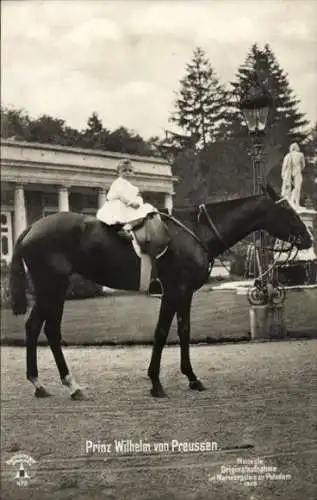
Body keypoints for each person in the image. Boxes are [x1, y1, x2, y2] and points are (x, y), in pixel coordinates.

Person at [96, 158, 157, 240]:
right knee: (140, 216)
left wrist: (138, 202)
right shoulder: (118, 182)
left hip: (128, 206)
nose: (127, 173)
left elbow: (137, 196)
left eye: (130, 171)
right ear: (118, 172)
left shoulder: (132, 187)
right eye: (124, 170)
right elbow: (120, 195)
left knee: (145, 212)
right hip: (120, 206)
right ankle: (125, 229)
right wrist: (131, 203)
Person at [281, 142, 306, 208]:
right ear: (297, 148)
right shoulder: (300, 155)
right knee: (297, 188)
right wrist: (300, 168)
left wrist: (283, 174)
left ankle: (292, 201)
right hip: (297, 172)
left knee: (289, 188)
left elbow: (284, 166)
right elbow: (303, 165)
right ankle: (296, 203)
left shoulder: (288, 156)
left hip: (289, 174)